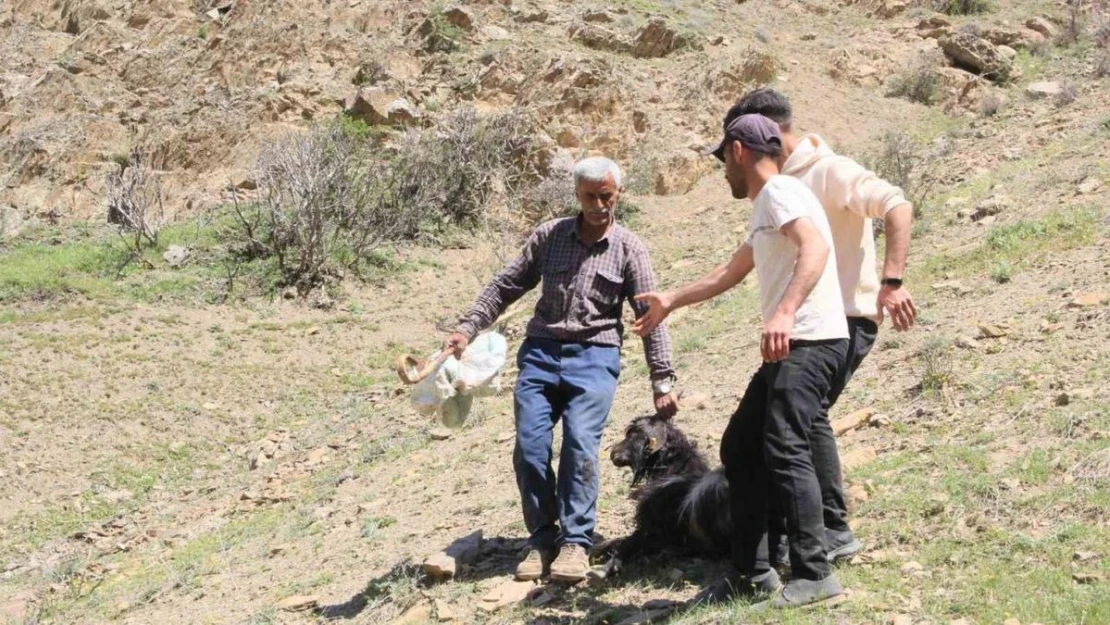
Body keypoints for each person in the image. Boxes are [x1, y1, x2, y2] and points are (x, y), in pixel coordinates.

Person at [633, 114, 847, 608]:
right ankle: (753, 571)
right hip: (793, 346)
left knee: (785, 447)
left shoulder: (779, 193)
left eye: (722, 162)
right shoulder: (771, 203)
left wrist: (786, 312)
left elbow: (814, 247)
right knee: (741, 446)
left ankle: (815, 574)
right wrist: (671, 299)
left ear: (736, 151)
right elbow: (732, 270)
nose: (723, 174)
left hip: (808, 343)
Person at [445, 157, 679, 583]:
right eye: (590, 196)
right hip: (541, 353)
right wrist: (467, 328)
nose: (599, 204)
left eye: (606, 195)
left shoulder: (630, 249)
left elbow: (649, 316)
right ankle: (541, 539)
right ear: (577, 194)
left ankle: (575, 541)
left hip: (595, 356)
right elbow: (504, 286)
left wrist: (661, 379)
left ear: (618, 194)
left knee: (579, 446)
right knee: (531, 447)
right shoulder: (549, 237)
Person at [728, 88, 918, 561]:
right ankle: (811, 531)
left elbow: (897, 203)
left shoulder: (829, 171)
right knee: (798, 421)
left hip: (845, 318)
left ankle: (823, 534)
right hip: (808, 320)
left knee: (796, 423)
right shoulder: (779, 185)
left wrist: (891, 281)